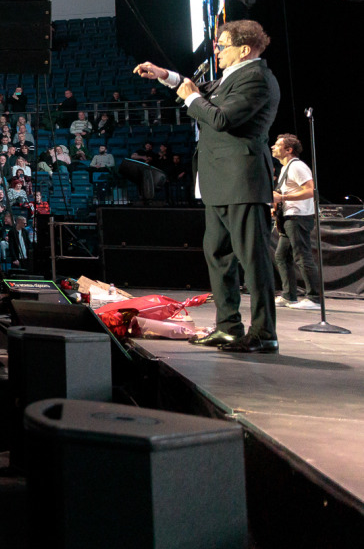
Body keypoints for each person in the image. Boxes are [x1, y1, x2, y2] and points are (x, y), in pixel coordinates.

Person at [135, 20, 281, 353]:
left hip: (242, 180)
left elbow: (221, 118)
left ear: (244, 49)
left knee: (253, 260)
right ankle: (229, 327)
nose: (217, 51)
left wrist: (190, 100)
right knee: (218, 255)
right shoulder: (235, 76)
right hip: (219, 182)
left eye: (222, 45)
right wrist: (164, 75)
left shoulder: (257, 78)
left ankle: (264, 331)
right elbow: (198, 89)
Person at [270, 134, 320, 312]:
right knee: (281, 256)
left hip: (298, 217)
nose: (273, 147)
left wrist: (283, 197)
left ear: (288, 150)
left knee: (302, 255)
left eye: (277, 145)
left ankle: (314, 298)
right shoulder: (286, 168)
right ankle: (288, 295)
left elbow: (310, 191)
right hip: (288, 217)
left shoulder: (297, 166)